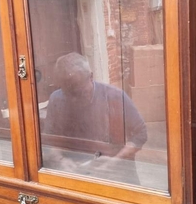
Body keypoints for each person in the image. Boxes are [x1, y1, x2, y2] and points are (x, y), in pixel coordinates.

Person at [42, 52, 147, 184]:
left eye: (79, 93)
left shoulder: (114, 97)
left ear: (91, 77)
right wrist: (59, 159)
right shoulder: (56, 99)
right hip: (75, 174)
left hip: (114, 174)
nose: (74, 100)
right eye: (68, 93)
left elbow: (140, 134)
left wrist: (115, 160)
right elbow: (50, 139)